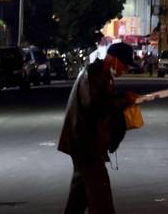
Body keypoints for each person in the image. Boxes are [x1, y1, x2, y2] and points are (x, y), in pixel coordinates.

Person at [58, 43, 137, 214]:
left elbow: (103, 100)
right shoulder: (93, 73)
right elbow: (94, 104)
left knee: (79, 196)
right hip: (86, 144)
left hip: (87, 143)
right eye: (125, 64)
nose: (126, 69)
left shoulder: (102, 74)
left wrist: (123, 99)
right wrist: (123, 101)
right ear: (114, 60)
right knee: (101, 198)